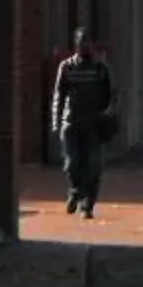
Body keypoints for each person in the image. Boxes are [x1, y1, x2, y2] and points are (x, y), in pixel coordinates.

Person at [51, 30, 117, 217]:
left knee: (93, 166)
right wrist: (56, 121)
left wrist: (108, 111)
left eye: (87, 43)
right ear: (76, 45)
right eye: (81, 43)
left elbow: (113, 94)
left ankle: (87, 205)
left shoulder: (100, 68)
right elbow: (59, 95)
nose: (85, 47)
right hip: (71, 122)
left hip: (93, 123)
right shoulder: (66, 67)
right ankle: (75, 191)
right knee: (71, 163)